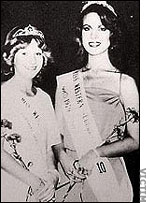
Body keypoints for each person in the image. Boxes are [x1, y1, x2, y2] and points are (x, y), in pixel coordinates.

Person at [53, 1, 139, 202]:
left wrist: (95, 153)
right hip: (70, 174)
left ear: (112, 33)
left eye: (102, 28)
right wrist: (63, 158)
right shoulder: (66, 81)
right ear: (79, 34)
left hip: (105, 174)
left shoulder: (124, 83)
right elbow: (56, 136)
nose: (93, 36)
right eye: (87, 28)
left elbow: (137, 140)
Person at [1, 24, 61, 202]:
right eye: (24, 53)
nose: (32, 60)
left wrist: (52, 176)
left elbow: (50, 148)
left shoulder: (44, 98)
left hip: (43, 191)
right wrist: (34, 182)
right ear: (11, 58)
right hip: (13, 187)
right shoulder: (3, 95)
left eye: (37, 54)